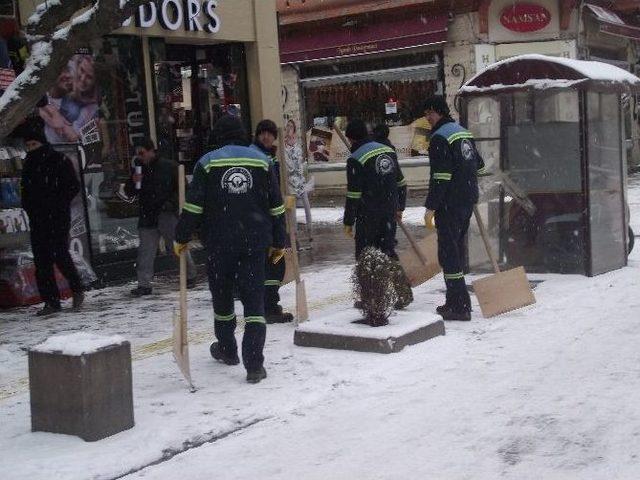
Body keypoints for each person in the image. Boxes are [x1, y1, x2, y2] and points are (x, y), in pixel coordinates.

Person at [174, 115, 286, 384]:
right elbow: (276, 205)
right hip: (254, 243)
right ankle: (254, 365)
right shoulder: (262, 161)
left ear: (219, 136)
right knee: (254, 301)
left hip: (219, 243)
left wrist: (181, 237)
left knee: (222, 299)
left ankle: (227, 349)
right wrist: (279, 241)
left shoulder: (207, 162)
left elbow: (193, 207)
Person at [423, 96, 486, 321]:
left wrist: (431, 207)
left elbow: (440, 176)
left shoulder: (439, 137)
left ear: (440, 112)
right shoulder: (463, 133)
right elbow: (478, 163)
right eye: (426, 114)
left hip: (449, 203)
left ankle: (459, 307)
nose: (428, 118)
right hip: (466, 200)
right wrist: (465, 177)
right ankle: (454, 301)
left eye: (430, 113)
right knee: (455, 252)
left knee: (449, 255)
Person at [342, 119, 413, 309]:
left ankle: (370, 298)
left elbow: (354, 194)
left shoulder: (355, 158)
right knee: (388, 250)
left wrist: (348, 221)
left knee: (365, 255)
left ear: (350, 138)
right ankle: (403, 293)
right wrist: (400, 207)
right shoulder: (387, 151)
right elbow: (401, 183)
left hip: (368, 213)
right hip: (389, 211)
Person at [20, 119, 85, 316]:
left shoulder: (58, 160)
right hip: (38, 219)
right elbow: (25, 191)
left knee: (59, 254)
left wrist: (57, 203)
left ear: (42, 143)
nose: (32, 149)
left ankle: (76, 287)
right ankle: (51, 301)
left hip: (57, 217)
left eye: (35, 145)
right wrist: (30, 208)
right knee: (42, 260)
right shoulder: (29, 164)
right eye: (29, 146)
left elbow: (73, 186)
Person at [125, 139, 196, 296]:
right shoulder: (139, 169)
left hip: (165, 212)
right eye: (138, 154)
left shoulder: (169, 167)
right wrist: (133, 182)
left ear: (151, 151)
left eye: (142, 153)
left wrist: (171, 204)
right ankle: (144, 283)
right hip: (148, 213)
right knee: (146, 250)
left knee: (176, 245)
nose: (140, 157)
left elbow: (182, 189)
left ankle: (189, 275)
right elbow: (131, 191)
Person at [250, 119, 294, 324]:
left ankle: (267, 305)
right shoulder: (256, 157)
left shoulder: (271, 157)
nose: (266, 137)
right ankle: (268, 306)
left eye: (269, 133)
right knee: (273, 263)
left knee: (274, 262)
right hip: (262, 218)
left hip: (270, 216)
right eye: (262, 133)